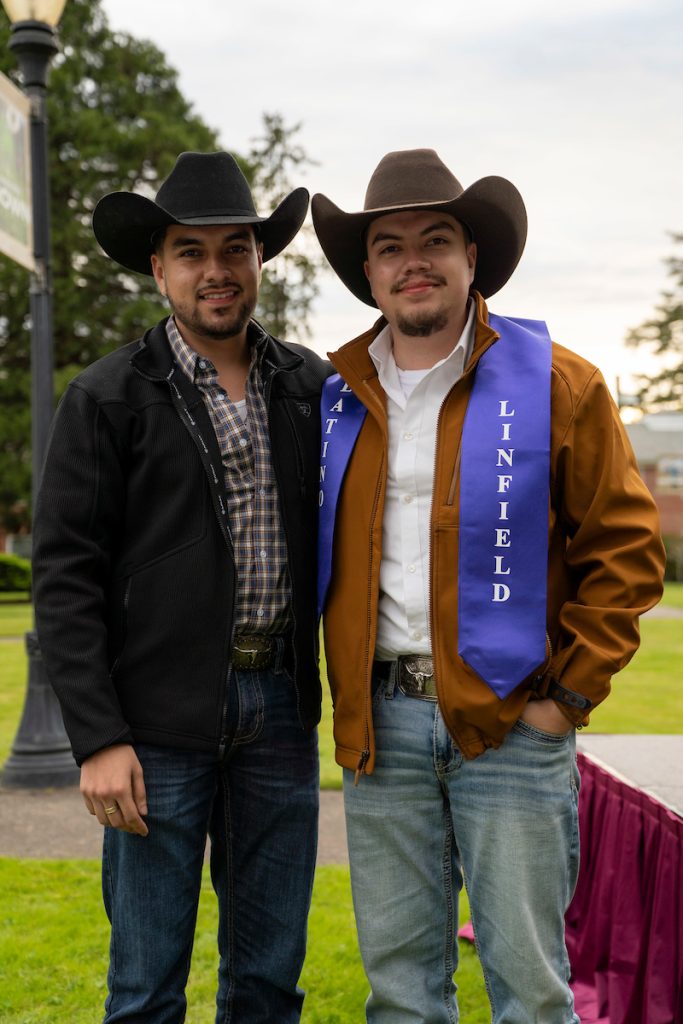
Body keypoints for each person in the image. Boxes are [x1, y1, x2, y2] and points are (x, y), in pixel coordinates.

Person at [311, 148, 665, 1024]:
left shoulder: (556, 384)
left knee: (532, 990)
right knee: (399, 992)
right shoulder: (332, 396)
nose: (413, 261)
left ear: (474, 258)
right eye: (389, 247)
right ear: (369, 272)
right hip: (380, 726)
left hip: (511, 721)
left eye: (436, 239)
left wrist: (566, 698)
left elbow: (624, 552)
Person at [32, 151, 330, 1024]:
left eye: (234, 249)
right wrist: (96, 737)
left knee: (269, 981)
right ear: (158, 268)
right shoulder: (108, 396)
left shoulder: (309, 387)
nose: (216, 271)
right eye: (191, 252)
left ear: (259, 260)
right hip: (153, 725)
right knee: (146, 987)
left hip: (279, 708)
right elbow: (65, 572)